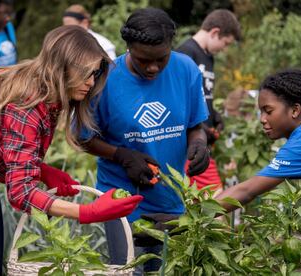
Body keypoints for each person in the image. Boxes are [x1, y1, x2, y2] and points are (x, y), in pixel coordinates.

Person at [0, 25, 143, 276]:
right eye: (86, 74)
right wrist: (87, 212)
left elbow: (4, 144)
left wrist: (41, 170)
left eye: (95, 74)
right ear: (61, 67)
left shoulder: (46, 90)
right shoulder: (27, 103)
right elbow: (20, 192)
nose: (91, 82)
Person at [80, 8, 210, 273]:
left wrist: (199, 143)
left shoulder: (185, 69)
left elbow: (196, 125)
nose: (153, 68)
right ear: (128, 48)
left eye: (161, 59)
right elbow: (83, 138)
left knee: (166, 269)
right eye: (143, 60)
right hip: (122, 197)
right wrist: (122, 155)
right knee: (129, 269)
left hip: (169, 196)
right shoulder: (105, 79)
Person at [215, 69, 301, 244]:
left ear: (295, 110)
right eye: (261, 112)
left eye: (268, 111)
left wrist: (190, 217)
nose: (262, 119)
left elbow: (247, 191)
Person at [177, 9, 241, 192]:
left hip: (203, 141)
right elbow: (180, 99)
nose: (224, 49)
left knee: (198, 201)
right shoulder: (186, 53)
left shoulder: (208, 57)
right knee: (216, 201)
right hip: (191, 140)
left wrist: (215, 116)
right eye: (225, 43)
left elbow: (204, 94)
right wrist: (201, 127)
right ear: (215, 32)